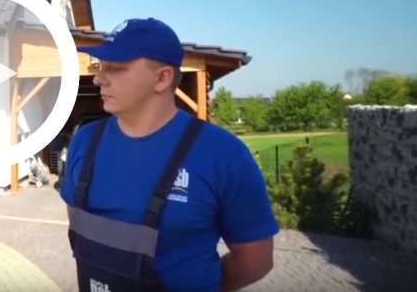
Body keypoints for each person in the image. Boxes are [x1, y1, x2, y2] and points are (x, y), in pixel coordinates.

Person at [60, 18, 278, 292]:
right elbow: (77, 221)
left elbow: (255, 262)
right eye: (100, 67)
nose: (98, 79)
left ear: (162, 78)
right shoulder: (85, 140)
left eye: (116, 68)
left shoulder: (222, 155)